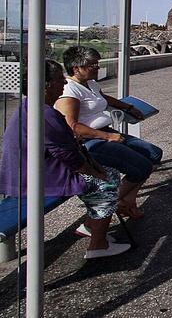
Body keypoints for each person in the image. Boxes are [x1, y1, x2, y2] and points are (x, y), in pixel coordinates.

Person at [0, 60, 130, 259]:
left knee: (104, 175)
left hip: (29, 175)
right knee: (108, 180)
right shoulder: (45, 114)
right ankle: (98, 243)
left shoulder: (29, 107)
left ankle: (93, 226)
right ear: (47, 85)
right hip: (38, 181)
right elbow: (69, 157)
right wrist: (96, 173)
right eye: (60, 79)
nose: (63, 83)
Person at [54, 46, 163, 220]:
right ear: (76, 68)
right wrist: (107, 136)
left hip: (105, 133)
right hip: (91, 140)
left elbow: (103, 99)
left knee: (153, 153)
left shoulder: (91, 84)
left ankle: (126, 201)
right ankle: (106, 207)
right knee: (142, 167)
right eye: (93, 65)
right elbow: (72, 127)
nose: (98, 67)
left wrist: (128, 107)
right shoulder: (69, 91)